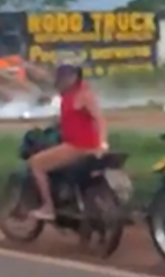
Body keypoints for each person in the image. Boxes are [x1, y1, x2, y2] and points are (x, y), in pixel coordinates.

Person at [27, 62, 108, 221]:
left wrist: (103, 143)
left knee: (36, 163)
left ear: (74, 77)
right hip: (79, 145)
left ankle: (48, 207)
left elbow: (100, 119)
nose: (60, 80)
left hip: (78, 146)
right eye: (60, 76)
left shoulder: (83, 95)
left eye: (64, 76)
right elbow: (69, 117)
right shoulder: (69, 94)